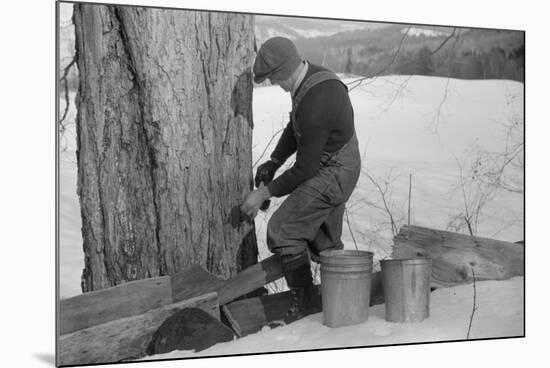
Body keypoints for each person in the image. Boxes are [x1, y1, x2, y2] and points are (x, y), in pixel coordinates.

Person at [240, 37, 361, 315]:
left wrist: (264, 192)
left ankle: (307, 310)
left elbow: (305, 170)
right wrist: (274, 161)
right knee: (325, 244)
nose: (275, 86)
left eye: (273, 79)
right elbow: (296, 127)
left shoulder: (319, 101)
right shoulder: (310, 79)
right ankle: (341, 308)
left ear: (283, 71)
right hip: (335, 166)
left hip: (336, 172)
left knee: (283, 231)